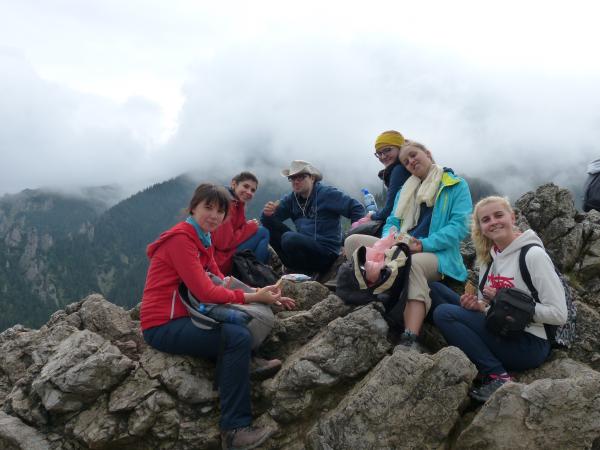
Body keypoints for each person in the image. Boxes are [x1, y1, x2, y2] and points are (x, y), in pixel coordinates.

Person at [140, 183, 295, 450]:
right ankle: (234, 429)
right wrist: (254, 298)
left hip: (189, 313)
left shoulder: (203, 238)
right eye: (208, 207)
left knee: (239, 322)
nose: (214, 215)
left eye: (220, 211)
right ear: (193, 208)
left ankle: (244, 362)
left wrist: (263, 294)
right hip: (163, 324)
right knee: (237, 336)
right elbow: (206, 292)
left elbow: (222, 281)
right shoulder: (181, 240)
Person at [432, 196, 567, 402]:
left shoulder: (532, 256)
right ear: (481, 228)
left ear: (512, 217)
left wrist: (507, 305)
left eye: (498, 215)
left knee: (444, 314)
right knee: (435, 290)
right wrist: (477, 306)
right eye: (486, 220)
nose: (493, 222)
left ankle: (497, 375)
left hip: (529, 342)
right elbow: (486, 306)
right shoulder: (488, 260)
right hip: (500, 326)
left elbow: (559, 315)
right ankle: (474, 350)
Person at [344, 140, 472, 348]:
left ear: (427, 153)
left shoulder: (454, 185)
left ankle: (410, 336)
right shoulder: (406, 190)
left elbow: (460, 226)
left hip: (437, 254)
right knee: (353, 242)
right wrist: (390, 239)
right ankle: (373, 294)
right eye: (405, 161)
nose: (410, 162)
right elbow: (392, 221)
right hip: (400, 247)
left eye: (413, 155)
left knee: (413, 264)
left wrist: (422, 244)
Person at [261, 160, 365, 276]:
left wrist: (349, 240)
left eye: (301, 177)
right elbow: (269, 221)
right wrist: (267, 213)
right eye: (292, 178)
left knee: (289, 238)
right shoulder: (291, 199)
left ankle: (304, 271)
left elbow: (356, 208)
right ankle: (293, 268)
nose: (296, 181)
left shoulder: (327, 194)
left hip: (326, 252)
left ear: (312, 178)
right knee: (267, 229)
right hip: (305, 248)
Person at [212, 172, 270, 275]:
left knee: (262, 237)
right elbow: (223, 244)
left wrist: (248, 226)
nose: (249, 192)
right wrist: (250, 227)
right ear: (234, 184)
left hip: (224, 257)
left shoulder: (237, 204)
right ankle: (256, 275)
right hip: (220, 261)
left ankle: (254, 272)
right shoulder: (227, 205)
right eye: (246, 186)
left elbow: (237, 228)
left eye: (252, 190)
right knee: (263, 232)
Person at [353, 130, 411, 228]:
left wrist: (372, 216)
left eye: (387, 150)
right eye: (379, 153)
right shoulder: (403, 168)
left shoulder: (399, 170)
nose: (383, 156)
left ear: (400, 148)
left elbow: (390, 209)